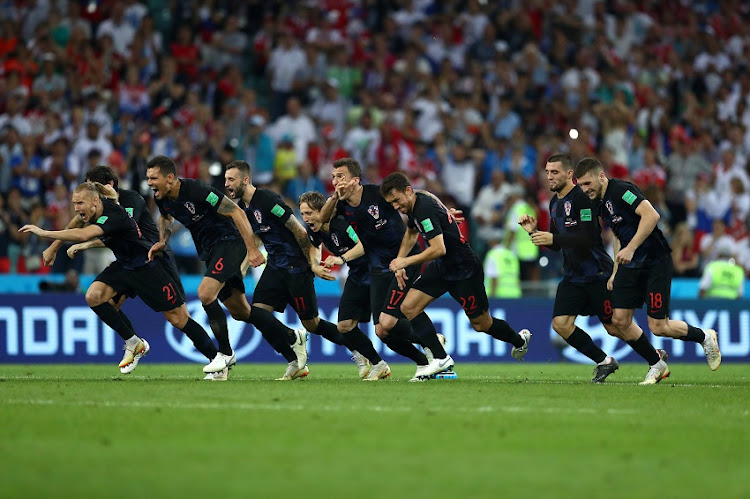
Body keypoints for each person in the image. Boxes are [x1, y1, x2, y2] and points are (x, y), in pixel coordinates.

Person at [21, 182, 221, 378]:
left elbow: (83, 233)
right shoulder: (99, 210)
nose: (76, 208)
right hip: (124, 265)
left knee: (178, 318)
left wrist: (43, 233)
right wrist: (56, 247)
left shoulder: (113, 214)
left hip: (147, 267)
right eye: (74, 203)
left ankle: (217, 360)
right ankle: (134, 342)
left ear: (95, 201)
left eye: (80, 203)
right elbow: (78, 225)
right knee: (94, 296)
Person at [146, 155, 307, 381]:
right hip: (211, 251)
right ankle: (292, 338)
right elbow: (165, 217)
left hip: (230, 243)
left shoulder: (198, 191)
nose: (150, 182)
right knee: (240, 311)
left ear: (170, 178)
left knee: (205, 292)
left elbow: (236, 211)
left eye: (154, 178)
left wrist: (252, 250)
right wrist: (163, 240)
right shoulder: (162, 197)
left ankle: (224, 355)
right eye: (148, 178)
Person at [519, 154, 667, 383]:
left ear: (570, 174)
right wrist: (534, 233)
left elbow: (588, 238)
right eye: (547, 172)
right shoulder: (554, 203)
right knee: (561, 324)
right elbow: (557, 244)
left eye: (554, 172)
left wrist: (554, 237)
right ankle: (604, 361)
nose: (549, 177)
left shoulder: (583, 199)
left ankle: (654, 358)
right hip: (572, 276)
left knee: (615, 327)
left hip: (597, 273)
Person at [575, 157, 722, 383]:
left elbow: (652, 215)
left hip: (654, 260)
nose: (585, 189)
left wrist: (631, 248)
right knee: (620, 320)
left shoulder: (622, 190)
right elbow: (615, 234)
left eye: (587, 184)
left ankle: (704, 336)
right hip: (629, 265)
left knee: (659, 326)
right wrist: (615, 270)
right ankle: (656, 363)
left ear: (601, 176)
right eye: (581, 185)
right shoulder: (597, 203)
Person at [224, 160, 371, 380]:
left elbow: (299, 231)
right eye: (226, 180)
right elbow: (256, 237)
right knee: (260, 315)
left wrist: (311, 265)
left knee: (312, 324)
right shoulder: (246, 208)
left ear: (245, 180)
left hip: (295, 268)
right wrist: (243, 267)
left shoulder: (268, 200)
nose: (227, 184)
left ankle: (359, 350)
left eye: (231, 180)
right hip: (274, 266)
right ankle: (294, 359)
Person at [379, 172, 532, 378]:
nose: (396, 206)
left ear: (408, 191)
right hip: (443, 267)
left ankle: (519, 341)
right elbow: (412, 233)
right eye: (392, 203)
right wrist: (399, 262)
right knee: (408, 307)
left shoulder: (423, 208)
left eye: (397, 200)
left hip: (464, 269)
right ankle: (441, 359)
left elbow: (438, 249)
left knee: (481, 324)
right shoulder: (418, 201)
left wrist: (405, 261)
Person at [319, 158, 451, 381]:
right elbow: (322, 218)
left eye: (341, 176)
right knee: (381, 330)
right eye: (333, 177)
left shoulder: (376, 193)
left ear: (355, 180)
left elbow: (417, 196)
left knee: (389, 321)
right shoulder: (339, 204)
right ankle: (424, 356)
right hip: (378, 267)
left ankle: (433, 347)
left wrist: (444, 212)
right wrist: (334, 196)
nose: (336, 181)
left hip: (405, 258)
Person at [298, 190, 391, 380]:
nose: (305, 219)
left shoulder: (341, 223)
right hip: (357, 275)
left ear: (322, 211)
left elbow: (363, 244)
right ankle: (378, 364)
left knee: (387, 326)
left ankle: (428, 341)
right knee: (345, 325)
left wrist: (341, 259)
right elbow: (314, 247)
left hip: (376, 272)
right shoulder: (314, 230)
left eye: (309, 213)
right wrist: (315, 266)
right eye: (302, 214)